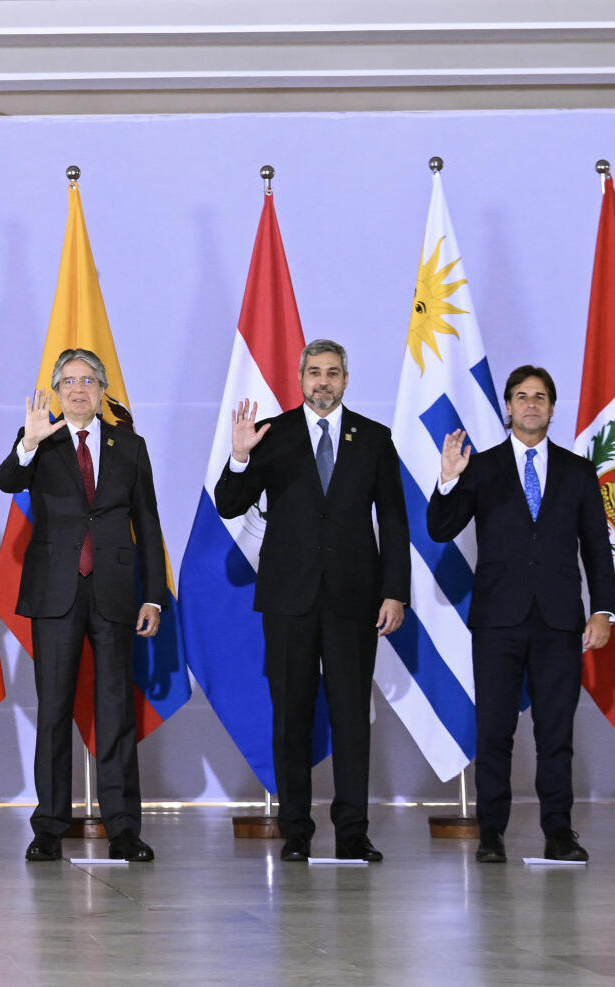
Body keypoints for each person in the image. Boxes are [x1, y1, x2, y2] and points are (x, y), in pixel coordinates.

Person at [215, 338, 408, 864]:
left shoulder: (373, 438)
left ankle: (352, 832)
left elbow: (392, 521)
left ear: (346, 379)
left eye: (333, 373)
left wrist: (396, 591)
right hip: (288, 600)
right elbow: (230, 504)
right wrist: (239, 455)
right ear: (301, 379)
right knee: (291, 718)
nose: (323, 381)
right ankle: (295, 830)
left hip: (354, 600)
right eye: (314, 372)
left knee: (351, 719)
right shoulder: (269, 435)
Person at [425, 364, 615, 864]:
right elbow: (441, 529)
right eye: (521, 396)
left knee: (556, 733)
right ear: (507, 407)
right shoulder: (481, 467)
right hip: (497, 620)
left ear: (552, 408)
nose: (531, 404)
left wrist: (602, 611)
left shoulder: (577, 470)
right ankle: (491, 833)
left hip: (559, 621)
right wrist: (447, 480)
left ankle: (559, 832)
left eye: (540, 397)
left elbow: (597, 547)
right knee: (494, 732)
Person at [0, 348, 168, 864]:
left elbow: (149, 523)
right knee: (53, 712)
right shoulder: (40, 441)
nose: (77, 389)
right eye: (68, 381)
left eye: (88, 380)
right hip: (56, 591)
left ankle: (123, 828)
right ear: (55, 390)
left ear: (102, 389)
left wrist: (154, 595)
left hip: (115, 590)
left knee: (116, 711)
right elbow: (8, 479)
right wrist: (27, 441)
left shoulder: (129, 445)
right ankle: (49, 826)